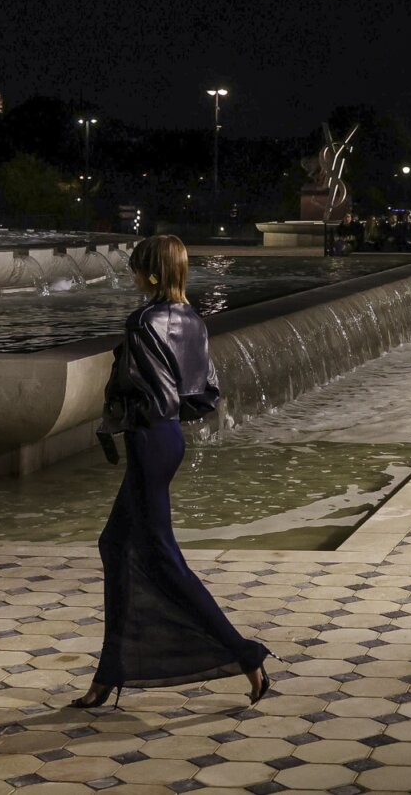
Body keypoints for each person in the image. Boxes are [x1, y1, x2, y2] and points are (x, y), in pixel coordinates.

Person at [75, 234, 271, 710]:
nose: (131, 276)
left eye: (135, 268)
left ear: (152, 273)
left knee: (163, 558)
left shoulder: (143, 322)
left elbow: (156, 395)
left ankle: (245, 654)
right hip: (168, 440)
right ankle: (110, 671)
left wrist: (125, 405)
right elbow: (202, 392)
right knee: (114, 544)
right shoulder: (192, 319)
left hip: (148, 439)